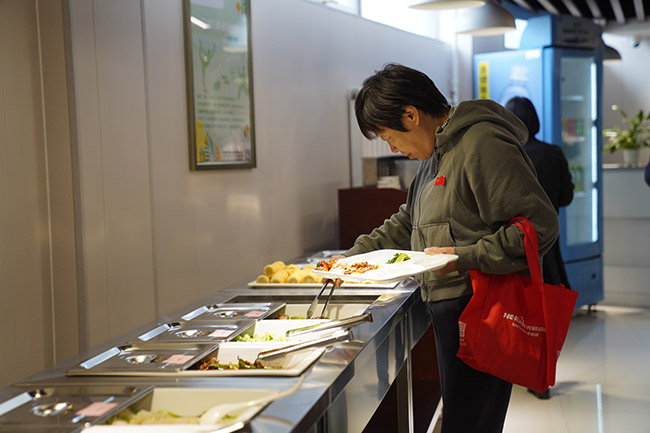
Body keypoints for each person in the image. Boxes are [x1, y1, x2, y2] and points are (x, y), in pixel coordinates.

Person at [344, 64, 559, 433]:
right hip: (451, 312)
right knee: (463, 421)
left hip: (483, 308)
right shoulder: (434, 155)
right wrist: (349, 259)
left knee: (471, 424)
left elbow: (539, 226)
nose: (393, 148)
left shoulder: (481, 142)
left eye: (389, 137)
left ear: (410, 115)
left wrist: (465, 258)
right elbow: (407, 222)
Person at [505, 96, 574, 400]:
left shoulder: (507, 155)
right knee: (545, 309)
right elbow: (567, 196)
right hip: (548, 244)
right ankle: (540, 378)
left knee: (516, 310)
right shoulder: (553, 153)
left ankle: (512, 369)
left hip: (514, 245)